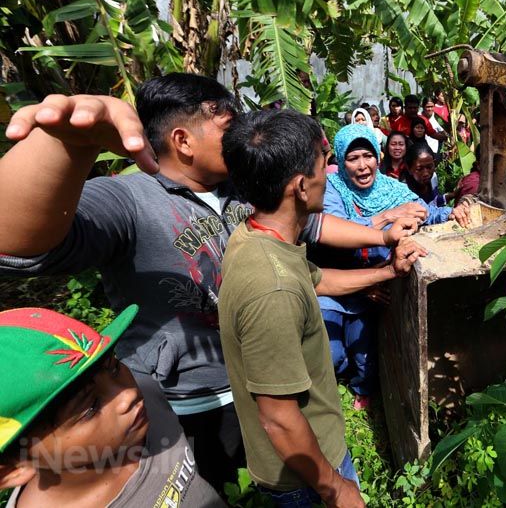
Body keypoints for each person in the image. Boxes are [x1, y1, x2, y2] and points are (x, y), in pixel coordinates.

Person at [0, 74, 417, 492]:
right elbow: (16, 244)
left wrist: (381, 236)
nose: (241, 137)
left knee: (280, 482)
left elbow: (313, 224)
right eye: (227, 127)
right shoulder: (127, 200)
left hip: (254, 390)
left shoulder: (240, 188)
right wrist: (68, 146)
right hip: (183, 403)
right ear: (183, 140)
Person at [218, 110, 423, 507]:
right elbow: (278, 417)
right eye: (321, 163)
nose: (327, 174)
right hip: (305, 476)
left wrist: (388, 272)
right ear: (299, 186)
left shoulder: (258, 236)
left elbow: (317, 280)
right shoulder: (271, 288)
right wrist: (335, 487)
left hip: (313, 456)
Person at [0, 306, 225, 507]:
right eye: (90, 407)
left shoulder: (148, 394)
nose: (128, 394)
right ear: (12, 469)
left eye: (114, 367)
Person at [317, 125, 468, 408]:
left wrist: (452, 212)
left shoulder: (391, 188)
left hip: (373, 284)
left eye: (368, 156)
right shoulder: (331, 190)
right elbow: (335, 234)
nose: (362, 166)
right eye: (353, 158)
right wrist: (388, 217)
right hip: (334, 284)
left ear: (378, 156)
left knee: (364, 356)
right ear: (340, 160)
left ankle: (361, 388)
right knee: (331, 354)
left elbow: (427, 212)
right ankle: (336, 381)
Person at [405, 143, 448, 207]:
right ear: (409, 169)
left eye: (429, 167)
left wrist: (448, 197)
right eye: (419, 169)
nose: (426, 173)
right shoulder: (404, 193)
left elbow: (433, 203)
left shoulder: (433, 179)